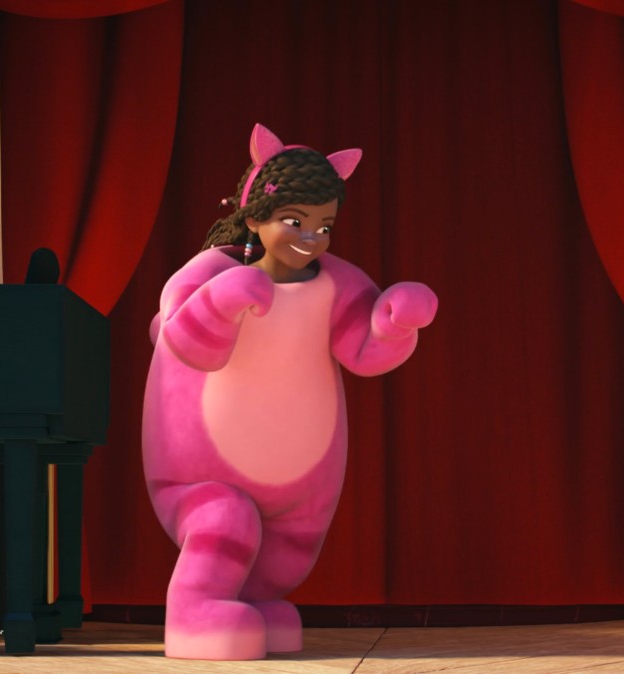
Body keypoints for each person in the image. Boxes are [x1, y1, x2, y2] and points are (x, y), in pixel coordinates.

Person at [142, 123, 438, 660]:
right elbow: (185, 342)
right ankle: (195, 611)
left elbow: (364, 350)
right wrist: (225, 298)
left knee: (282, 561)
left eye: (325, 225)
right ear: (255, 217)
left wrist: (396, 322)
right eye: (295, 221)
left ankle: (254, 602)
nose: (312, 237)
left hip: (301, 486)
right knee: (224, 522)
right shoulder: (210, 271)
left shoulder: (338, 283)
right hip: (203, 477)